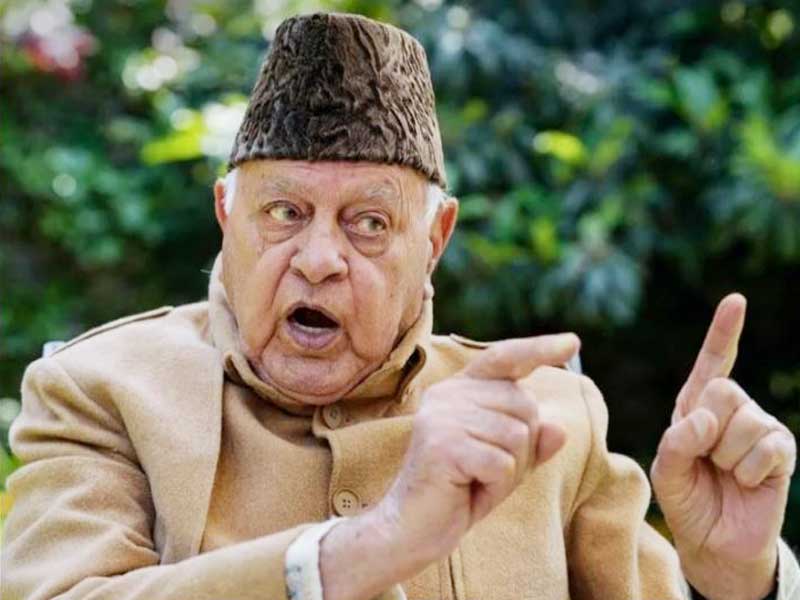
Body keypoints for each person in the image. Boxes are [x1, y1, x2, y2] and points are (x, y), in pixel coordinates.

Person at [2, 11, 798, 600]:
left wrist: (735, 581)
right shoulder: (102, 389)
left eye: (369, 223)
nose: (319, 258)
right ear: (225, 215)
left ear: (435, 239)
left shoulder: (551, 421)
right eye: (283, 212)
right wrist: (365, 549)